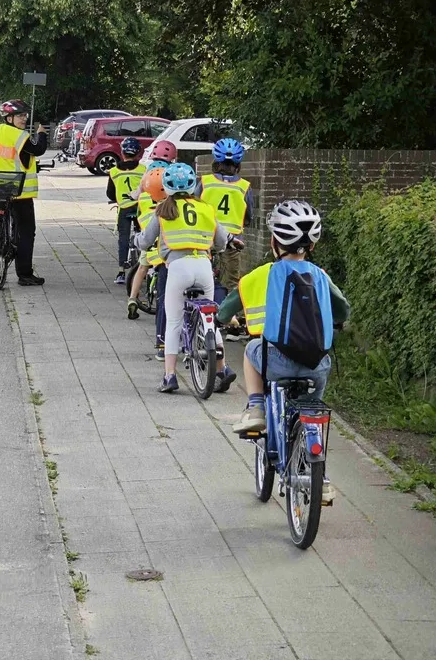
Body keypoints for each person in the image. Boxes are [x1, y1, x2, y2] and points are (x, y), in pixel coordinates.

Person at [218, 199, 350, 437]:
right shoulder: (320, 275)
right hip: (317, 364)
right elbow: (343, 310)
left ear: (274, 242)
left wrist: (223, 318)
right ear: (312, 246)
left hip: (276, 361)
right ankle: (311, 447)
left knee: (250, 349)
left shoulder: (262, 274)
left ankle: (256, 408)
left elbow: (227, 309)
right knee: (310, 409)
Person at [135, 162, 238, 394]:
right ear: (193, 185)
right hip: (203, 266)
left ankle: (170, 376)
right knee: (210, 317)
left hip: (178, 268)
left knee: (174, 322)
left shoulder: (162, 211)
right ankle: (222, 368)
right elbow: (221, 241)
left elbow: (145, 241)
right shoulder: (206, 209)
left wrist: (136, 241)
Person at [0, 99, 48, 286]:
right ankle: (24, 274)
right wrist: (41, 134)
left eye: (25, 115)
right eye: (20, 115)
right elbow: (38, 149)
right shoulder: (20, 136)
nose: (24, 119)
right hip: (20, 192)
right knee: (26, 232)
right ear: (9, 118)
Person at [199, 138, 253, 309]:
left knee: (202, 276)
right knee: (231, 281)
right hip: (233, 241)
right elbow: (249, 214)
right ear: (238, 165)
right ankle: (229, 320)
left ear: (216, 161)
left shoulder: (205, 181)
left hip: (206, 237)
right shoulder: (244, 186)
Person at [127, 161, 168, 320]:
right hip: (164, 241)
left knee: (142, 268)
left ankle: (132, 298)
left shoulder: (143, 197)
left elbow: (137, 213)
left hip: (148, 239)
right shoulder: (168, 200)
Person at [106, 137, 147, 284]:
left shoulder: (114, 171)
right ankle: (145, 265)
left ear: (122, 153)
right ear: (138, 154)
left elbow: (110, 194)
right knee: (144, 234)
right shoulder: (143, 170)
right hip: (141, 207)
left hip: (124, 207)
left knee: (123, 238)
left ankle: (121, 272)